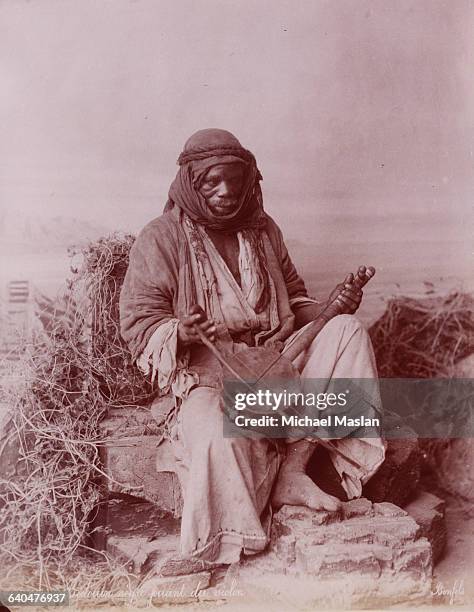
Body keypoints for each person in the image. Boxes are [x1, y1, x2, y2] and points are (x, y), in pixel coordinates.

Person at [119, 128, 385, 569]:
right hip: (209, 376)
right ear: (190, 181)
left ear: (249, 180)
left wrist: (333, 306)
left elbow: (294, 300)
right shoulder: (160, 238)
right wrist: (180, 331)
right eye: (212, 182)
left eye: (234, 181)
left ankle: (295, 471)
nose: (226, 192)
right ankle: (228, 542)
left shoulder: (262, 231)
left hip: (277, 360)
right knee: (213, 435)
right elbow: (139, 323)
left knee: (347, 332)